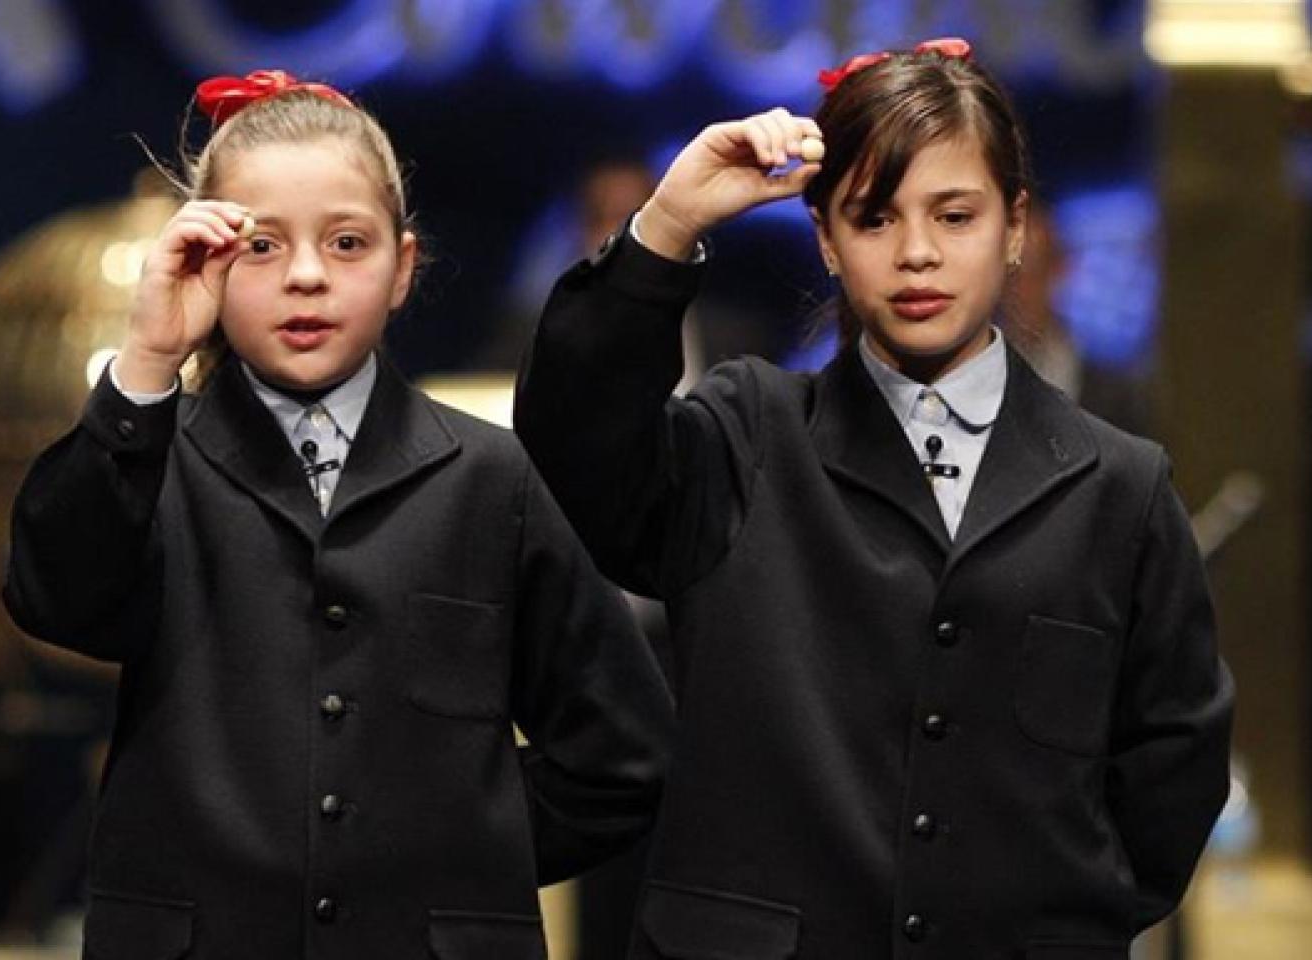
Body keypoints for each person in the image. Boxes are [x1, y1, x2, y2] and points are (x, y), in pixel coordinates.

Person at [515, 40, 1233, 958]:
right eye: (874, 217)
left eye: (955, 214)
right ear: (825, 237)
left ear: (1016, 229)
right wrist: (667, 225)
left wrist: (1055, 920)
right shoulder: (748, 434)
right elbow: (574, 452)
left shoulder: (1119, 487)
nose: (919, 253)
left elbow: (1172, 768)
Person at [2, 69, 671, 957]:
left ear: (405, 267)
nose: (308, 277)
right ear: (203, 260)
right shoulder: (147, 457)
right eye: (262, 247)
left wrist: (466, 852)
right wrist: (148, 359)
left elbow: (624, 753)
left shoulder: (491, 475)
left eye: (348, 243)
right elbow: (54, 600)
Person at [1005, 196, 1151, 437]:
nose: (1021, 288)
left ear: (1058, 270)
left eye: (1033, 269)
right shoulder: (957, 391)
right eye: (1010, 272)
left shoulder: (1115, 399)